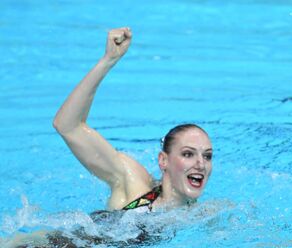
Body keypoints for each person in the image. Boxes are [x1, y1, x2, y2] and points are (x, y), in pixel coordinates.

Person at [53, 27, 213, 212]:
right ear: (163, 161)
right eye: (188, 154)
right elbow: (67, 125)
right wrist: (108, 60)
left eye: (207, 156)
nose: (201, 164)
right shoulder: (133, 183)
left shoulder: (205, 214)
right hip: (56, 241)